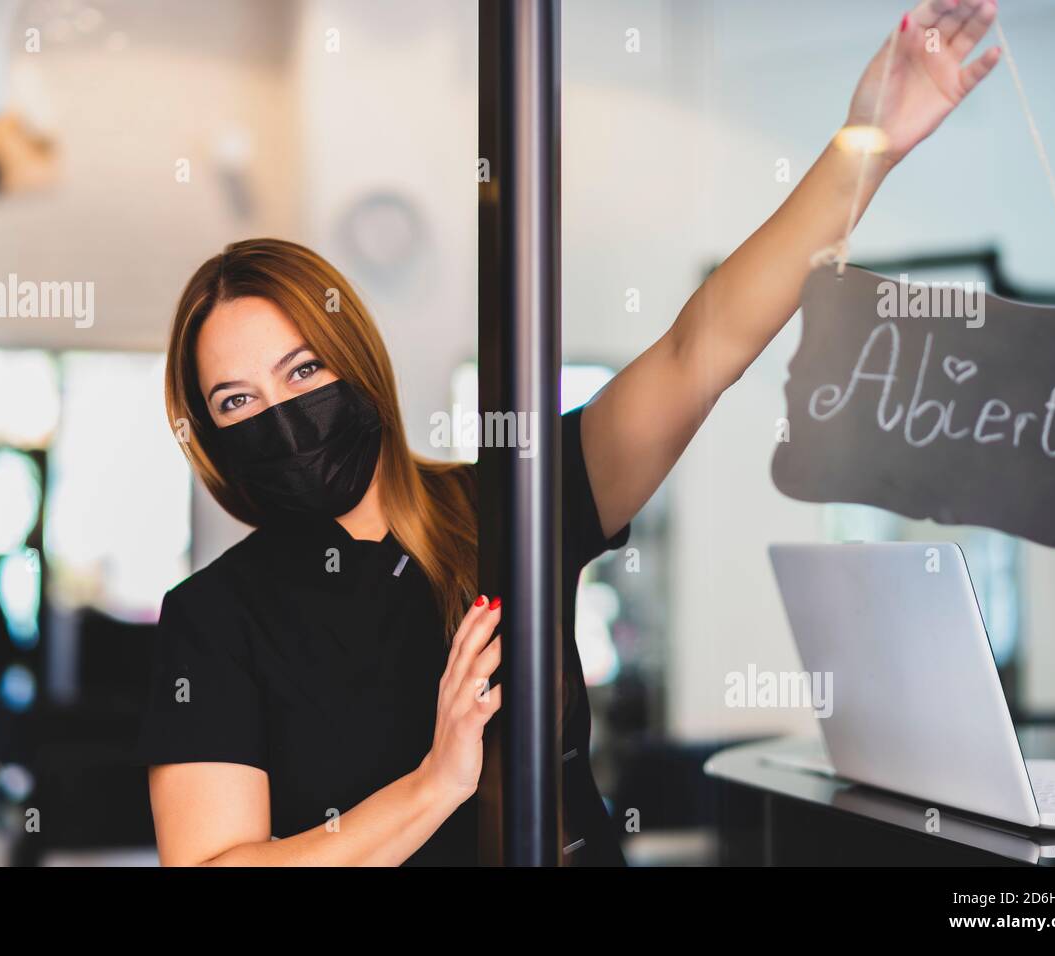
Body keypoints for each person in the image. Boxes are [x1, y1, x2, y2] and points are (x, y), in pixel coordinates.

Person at [135, 0, 1002, 865]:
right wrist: (436, 783)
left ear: (356, 362)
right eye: (237, 402)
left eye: (303, 371)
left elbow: (701, 347)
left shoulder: (514, 505)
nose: (282, 415)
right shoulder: (211, 621)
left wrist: (868, 145)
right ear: (212, 440)